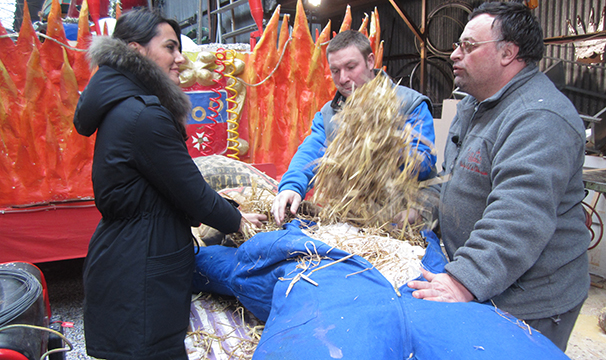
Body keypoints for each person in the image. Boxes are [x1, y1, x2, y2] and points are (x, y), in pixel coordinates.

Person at [73, 8, 266, 360]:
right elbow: (190, 190)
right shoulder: (143, 115)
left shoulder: (125, 107)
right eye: (171, 47)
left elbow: (162, 186)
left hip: (130, 255)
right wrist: (237, 221)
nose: (180, 58)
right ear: (136, 51)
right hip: (140, 267)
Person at [407, 1, 590, 352]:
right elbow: (454, 180)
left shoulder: (540, 117)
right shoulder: (475, 106)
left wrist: (462, 281)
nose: (454, 55)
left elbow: (519, 217)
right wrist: (417, 210)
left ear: (508, 53)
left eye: (468, 46)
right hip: (491, 282)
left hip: (531, 300)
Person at [271, 30, 437, 226]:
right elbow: (310, 152)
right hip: (352, 212)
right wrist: (291, 187)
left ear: (370, 61)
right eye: (335, 70)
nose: (342, 78)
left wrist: (387, 149)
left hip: (400, 210)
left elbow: (424, 162)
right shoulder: (329, 114)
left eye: (351, 67)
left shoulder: (409, 103)